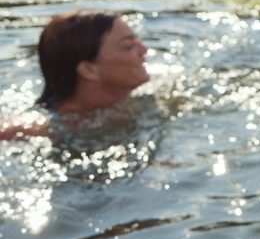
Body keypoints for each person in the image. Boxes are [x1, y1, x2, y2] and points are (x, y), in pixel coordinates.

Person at [0, 10, 150, 141]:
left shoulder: (154, 96)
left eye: (137, 40)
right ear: (88, 70)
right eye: (128, 46)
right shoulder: (26, 131)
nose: (144, 49)